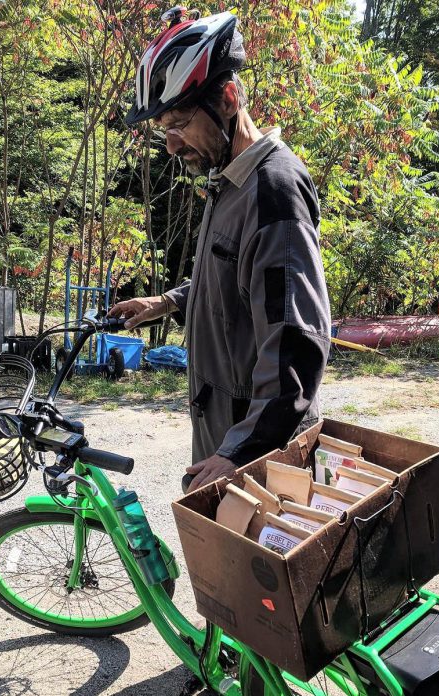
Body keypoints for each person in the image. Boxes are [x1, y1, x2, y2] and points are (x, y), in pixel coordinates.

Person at [109, 7, 332, 492]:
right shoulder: (228, 183)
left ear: (228, 99)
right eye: (161, 129)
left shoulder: (273, 189)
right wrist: (166, 302)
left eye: (179, 123)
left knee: (252, 569)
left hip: (262, 453)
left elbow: (296, 340)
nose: (170, 145)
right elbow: (233, 279)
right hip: (226, 434)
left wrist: (240, 452)